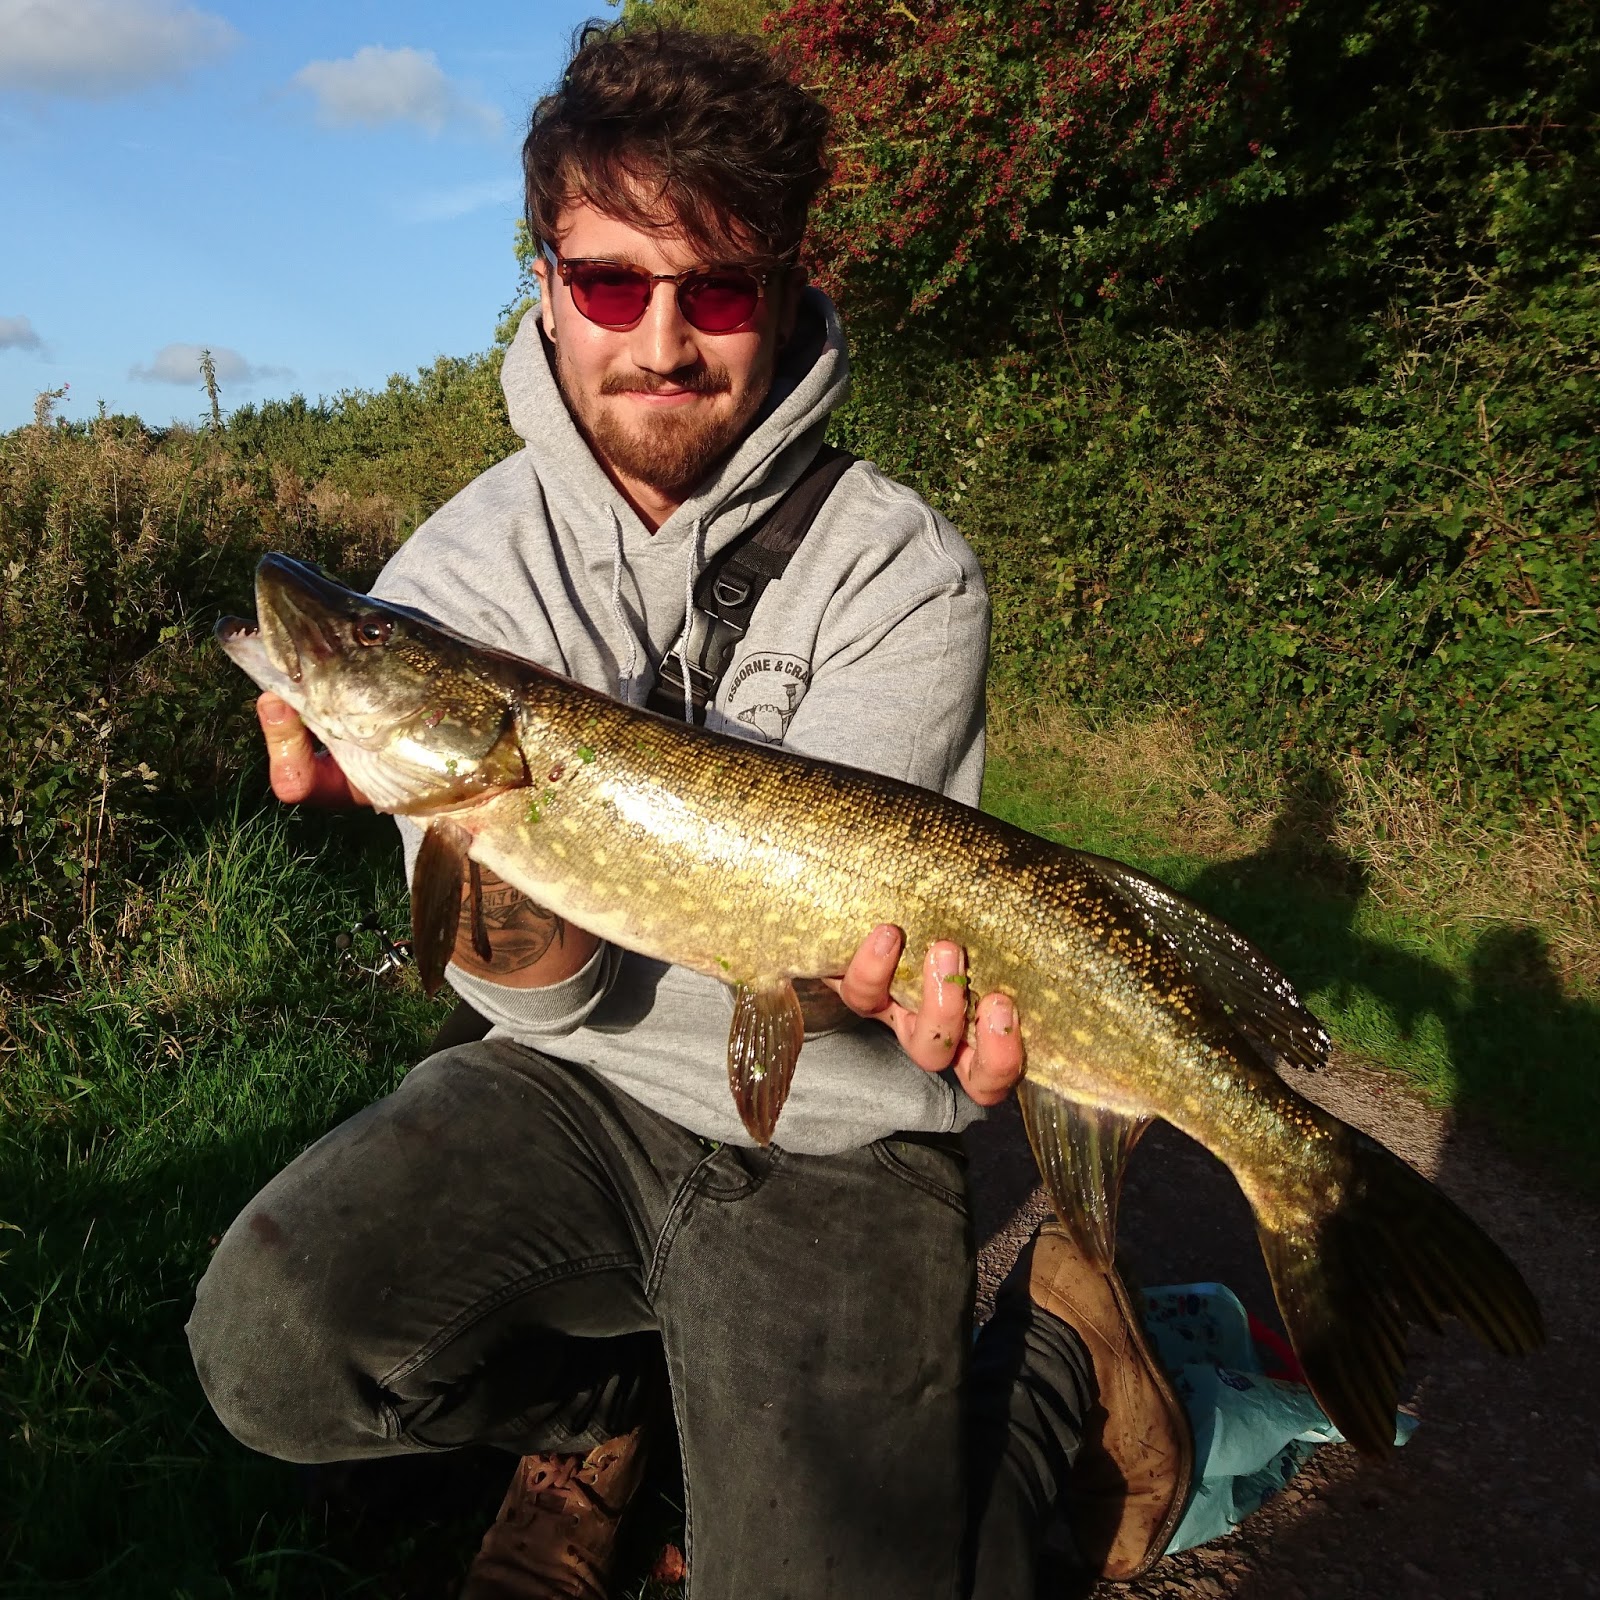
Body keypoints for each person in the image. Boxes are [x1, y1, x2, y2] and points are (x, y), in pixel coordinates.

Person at [186, 23, 1190, 1599]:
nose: (661, 340)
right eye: (608, 285)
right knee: (270, 1343)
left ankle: (1059, 1341)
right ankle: (601, 1417)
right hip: (574, 1091)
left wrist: (895, 986)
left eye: (715, 290)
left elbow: (841, 958)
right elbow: (546, 993)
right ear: (544, 284)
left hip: (840, 1138)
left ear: (783, 292)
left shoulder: (902, 568)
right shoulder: (457, 577)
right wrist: (453, 816)